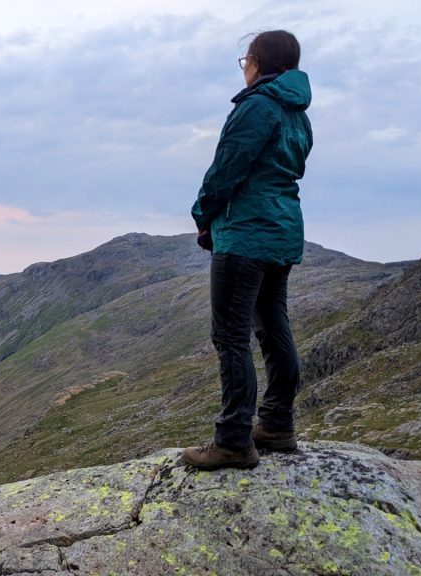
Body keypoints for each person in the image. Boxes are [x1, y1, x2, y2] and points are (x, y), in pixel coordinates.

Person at [182, 30, 313, 470]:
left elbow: (227, 169)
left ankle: (235, 439)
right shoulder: (297, 113)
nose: (245, 68)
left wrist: (204, 214)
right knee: (274, 327)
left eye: (246, 60)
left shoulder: (257, 105)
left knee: (231, 335)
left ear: (258, 63)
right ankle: (277, 424)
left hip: (246, 234)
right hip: (281, 232)